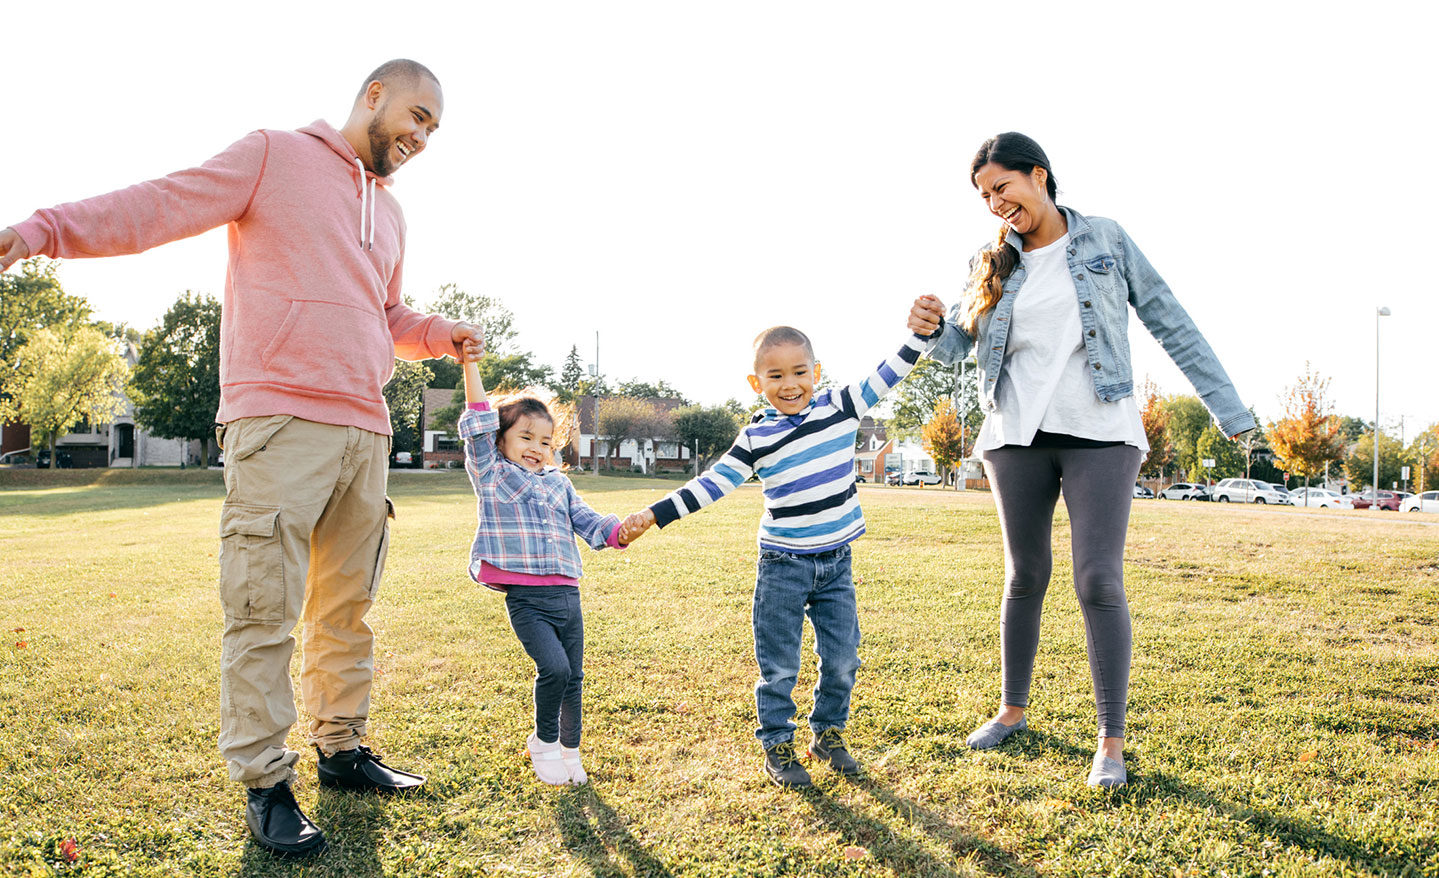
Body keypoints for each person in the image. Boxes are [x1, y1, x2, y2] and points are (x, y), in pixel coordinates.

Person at [0, 60, 483, 856]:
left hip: (366, 429)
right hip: (278, 422)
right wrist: (41, 230)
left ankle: (342, 748)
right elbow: (159, 204)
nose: (423, 136)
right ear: (373, 96)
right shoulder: (273, 155)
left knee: (346, 607)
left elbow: (384, 309)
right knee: (263, 609)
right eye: (417, 114)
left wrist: (435, 334)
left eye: (435, 128)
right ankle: (265, 782)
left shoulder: (391, 215)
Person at [907, 132, 1256, 788]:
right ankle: (1011, 711)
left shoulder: (1106, 240)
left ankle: (1110, 743)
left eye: (1001, 187)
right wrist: (928, 328)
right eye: (983, 196)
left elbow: (1171, 323)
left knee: (1097, 579)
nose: (994, 204)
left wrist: (1229, 414)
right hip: (1014, 433)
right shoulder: (991, 260)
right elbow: (958, 345)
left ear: (1037, 174)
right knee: (1023, 576)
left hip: (1101, 427)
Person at [619, 325, 925, 787]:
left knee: (843, 658)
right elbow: (713, 483)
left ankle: (828, 733)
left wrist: (919, 334)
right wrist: (655, 514)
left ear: (816, 372)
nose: (790, 384)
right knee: (780, 664)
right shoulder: (755, 437)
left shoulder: (841, 407)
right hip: (783, 565)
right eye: (776, 375)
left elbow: (889, 373)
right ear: (756, 383)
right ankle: (778, 743)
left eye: (800, 372)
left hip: (835, 562)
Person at [457, 357, 629, 786]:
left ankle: (570, 752)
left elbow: (588, 520)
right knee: (554, 669)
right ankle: (544, 743)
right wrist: (470, 363)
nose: (537, 447)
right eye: (526, 437)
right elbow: (477, 422)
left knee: (574, 677)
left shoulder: (558, 482)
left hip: (568, 595)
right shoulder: (492, 474)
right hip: (528, 599)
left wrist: (620, 531)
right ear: (500, 439)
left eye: (546, 441)